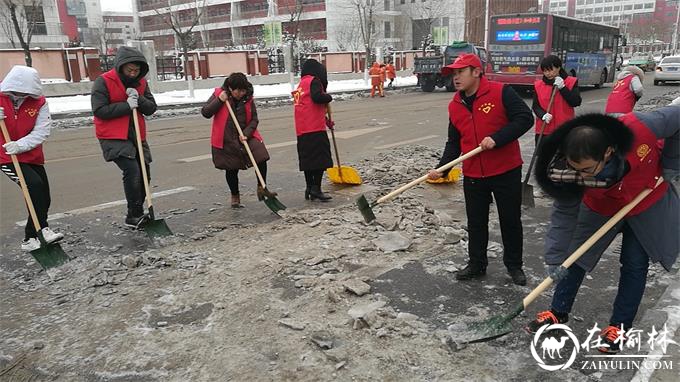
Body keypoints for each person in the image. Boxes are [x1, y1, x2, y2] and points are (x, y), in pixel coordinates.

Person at [526, 107, 679, 354]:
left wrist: (672, 161)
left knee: (634, 264)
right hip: (600, 205)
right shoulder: (566, 170)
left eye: (586, 170)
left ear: (608, 152)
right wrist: (555, 259)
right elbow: (563, 216)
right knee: (574, 256)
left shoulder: (641, 126)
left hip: (645, 201)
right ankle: (558, 311)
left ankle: (619, 326)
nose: (579, 174)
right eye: (574, 168)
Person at [427, 54, 534, 286]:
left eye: (460, 72)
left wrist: (498, 138)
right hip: (474, 173)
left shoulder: (500, 92)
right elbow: (454, 141)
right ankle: (477, 264)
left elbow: (525, 119)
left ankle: (514, 266)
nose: (455, 78)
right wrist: (442, 169)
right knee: (476, 222)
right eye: (453, 74)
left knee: (510, 220)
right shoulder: (455, 105)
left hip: (505, 169)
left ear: (476, 72)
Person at [91, 46, 157, 228]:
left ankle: (136, 211)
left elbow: (151, 108)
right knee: (132, 170)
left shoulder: (141, 83)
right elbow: (99, 110)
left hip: (137, 134)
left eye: (136, 70)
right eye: (130, 70)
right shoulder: (103, 82)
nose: (133, 74)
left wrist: (139, 99)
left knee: (145, 173)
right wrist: (126, 105)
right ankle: (134, 215)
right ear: (120, 67)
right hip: (113, 135)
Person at [0, 66, 64, 251]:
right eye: (17, 92)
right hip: (5, 155)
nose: (20, 95)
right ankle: (41, 230)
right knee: (33, 186)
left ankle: (31, 237)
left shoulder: (39, 102)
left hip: (30, 154)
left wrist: (20, 145)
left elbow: (42, 131)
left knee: (44, 196)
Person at [200, 72, 276, 208]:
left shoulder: (248, 98)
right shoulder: (219, 94)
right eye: (238, 91)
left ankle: (261, 187)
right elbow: (206, 112)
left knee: (261, 157)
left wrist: (246, 134)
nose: (241, 93)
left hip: (245, 136)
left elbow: (254, 119)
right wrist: (219, 100)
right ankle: (235, 195)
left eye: (243, 90)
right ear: (230, 88)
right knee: (231, 169)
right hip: (227, 139)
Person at [292, 58, 333, 201]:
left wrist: (326, 120)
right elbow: (317, 98)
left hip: (302, 130)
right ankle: (317, 189)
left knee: (308, 162)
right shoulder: (314, 81)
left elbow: (308, 106)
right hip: (315, 129)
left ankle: (309, 188)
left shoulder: (301, 84)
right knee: (320, 161)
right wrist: (328, 97)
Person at [532, 55, 582, 144]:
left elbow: (576, 102)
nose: (548, 73)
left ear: (558, 67)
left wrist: (563, 88)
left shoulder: (571, 82)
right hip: (544, 129)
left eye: (550, 70)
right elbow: (535, 106)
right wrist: (543, 115)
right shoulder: (538, 85)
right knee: (543, 155)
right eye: (545, 71)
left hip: (565, 128)